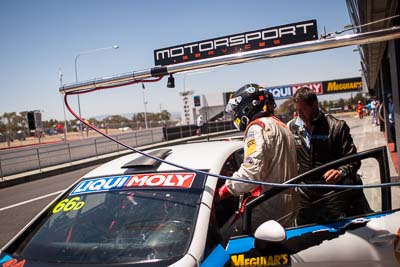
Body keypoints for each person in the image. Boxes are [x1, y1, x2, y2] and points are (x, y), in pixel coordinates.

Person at [218, 83, 298, 230]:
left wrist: (224, 190)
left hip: (266, 208)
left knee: (222, 238)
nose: (236, 114)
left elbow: (251, 174)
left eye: (237, 109)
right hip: (288, 206)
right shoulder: (283, 127)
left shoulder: (257, 127)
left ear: (249, 105)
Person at [287, 87, 372, 225]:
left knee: (336, 236)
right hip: (305, 195)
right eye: (296, 110)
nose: (299, 114)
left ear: (315, 105)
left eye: (303, 109)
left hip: (332, 193)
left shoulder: (337, 127)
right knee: (304, 237)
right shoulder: (292, 128)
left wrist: (340, 171)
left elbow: (354, 161)